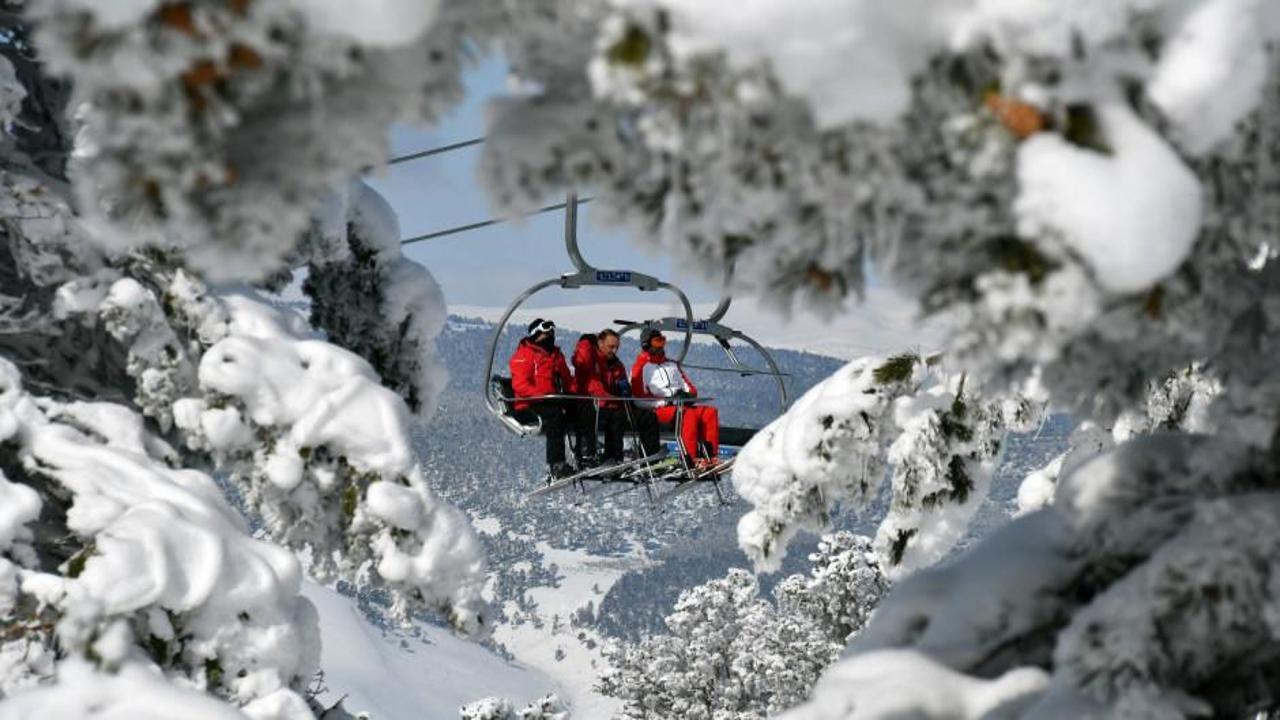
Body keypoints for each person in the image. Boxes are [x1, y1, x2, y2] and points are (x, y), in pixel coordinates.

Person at [630, 328, 721, 467]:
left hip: (680, 405)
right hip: (659, 409)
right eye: (657, 342)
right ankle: (690, 459)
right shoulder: (641, 367)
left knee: (709, 412)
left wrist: (686, 396)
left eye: (663, 341)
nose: (661, 346)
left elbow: (691, 389)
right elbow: (638, 399)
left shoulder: (672, 365)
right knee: (688, 414)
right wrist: (667, 401)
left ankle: (710, 456)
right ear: (646, 345)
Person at [572, 328, 661, 462]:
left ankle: (651, 457)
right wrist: (613, 400)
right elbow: (593, 386)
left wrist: (625, 390)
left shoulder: (617, 365)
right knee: (616, 416)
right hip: (598, 405)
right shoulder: (592, 361)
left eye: (616, 347)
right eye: (611, 347)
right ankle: (612, 457)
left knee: (647, 417)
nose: (614, 351)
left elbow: (623, 382)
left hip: (616, 404)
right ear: (600, 343)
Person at [509, 318, 579, 479]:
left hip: (552, 400)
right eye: (546, 334)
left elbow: (567, 380)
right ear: (536, 335)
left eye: (552, 334)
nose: (550, 337)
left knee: (583, 408)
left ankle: (586, 453)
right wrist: (543, 395)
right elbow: (520, 385)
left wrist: (576, 393)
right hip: (528, 405)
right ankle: (557, 464)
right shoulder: (525, 354)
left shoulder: (556, 355)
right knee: (555, 415)